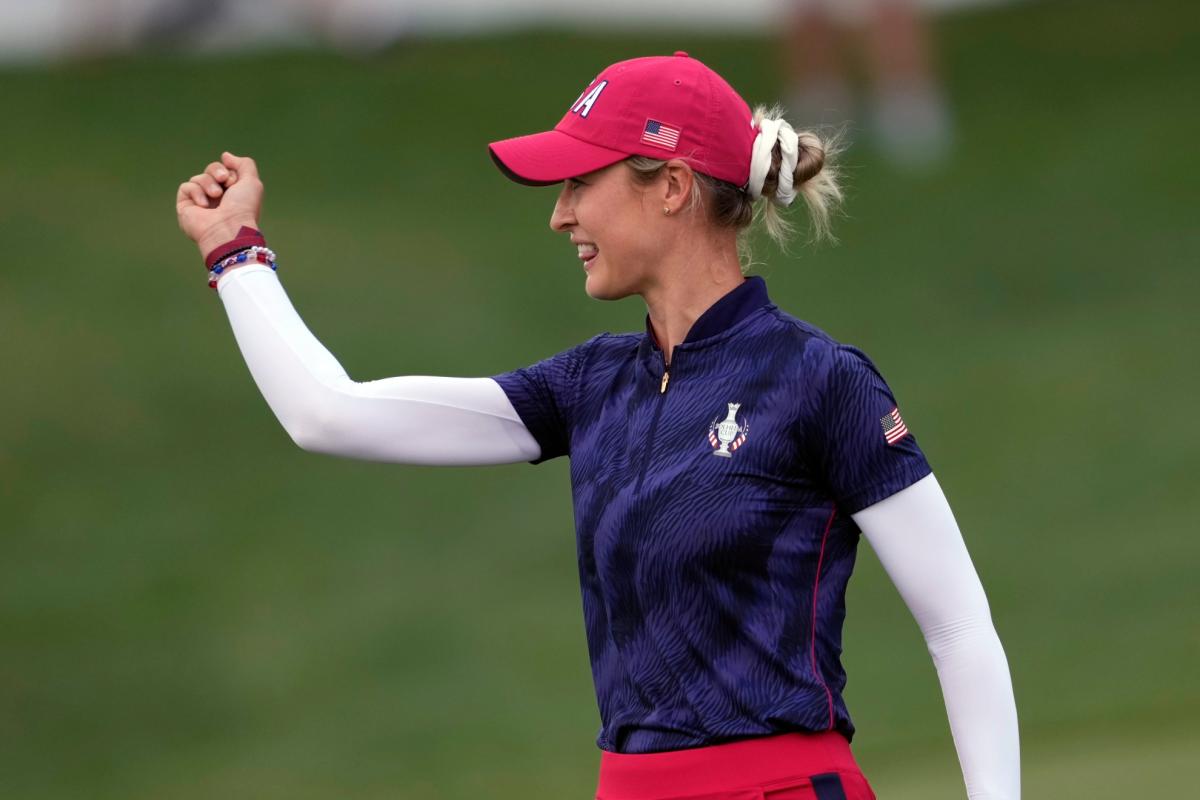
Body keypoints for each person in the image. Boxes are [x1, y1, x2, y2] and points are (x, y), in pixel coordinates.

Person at [175, 52, 1019, 800]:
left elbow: (957, 626)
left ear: (672, 187)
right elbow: (329, 415)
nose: (560, 215)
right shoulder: (592, 384)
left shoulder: (818, 381)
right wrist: (233, 251)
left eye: (582, 183)